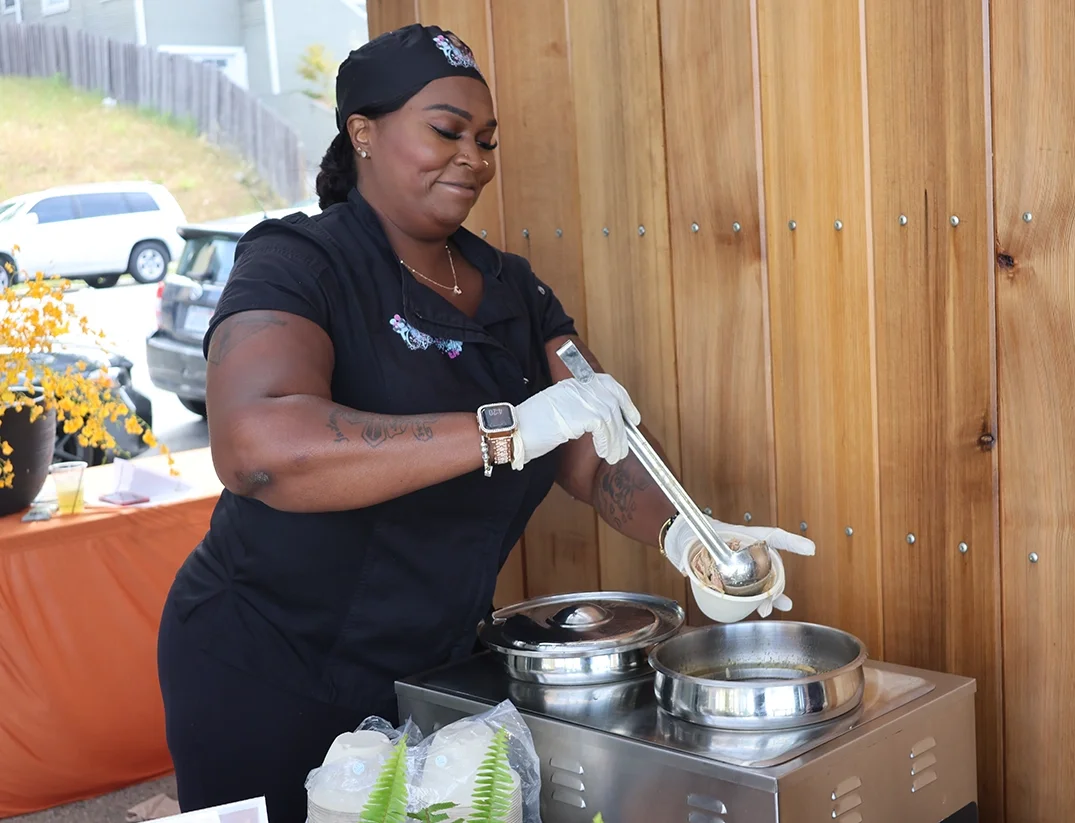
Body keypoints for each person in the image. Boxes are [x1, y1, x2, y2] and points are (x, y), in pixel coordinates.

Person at [155, 23, 815, 823]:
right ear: (363, 131)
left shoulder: (514, 292)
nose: (474, 156)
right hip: (263, 664)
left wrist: (696, 539)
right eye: (446, 130)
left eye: (487, 138)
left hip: (433, 672)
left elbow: (601, 453)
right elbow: (256, 447)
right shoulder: (299, 262)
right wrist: (503, 430)